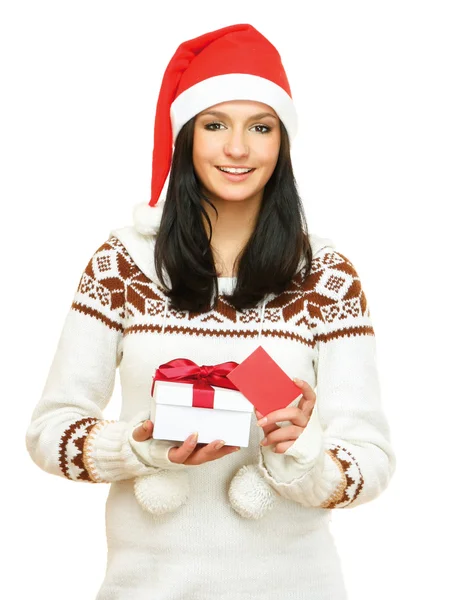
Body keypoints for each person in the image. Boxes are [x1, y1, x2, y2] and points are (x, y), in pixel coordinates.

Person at [25, 23, 396, 600]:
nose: (238, 149)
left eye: (261, 127)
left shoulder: (327, 274)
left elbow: (370, 462)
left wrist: (302, 452)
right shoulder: (122, 263)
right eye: (215, 124)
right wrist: (142, 446)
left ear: (283, 143)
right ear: (185, 138)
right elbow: (50, 432)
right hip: (145, 588)